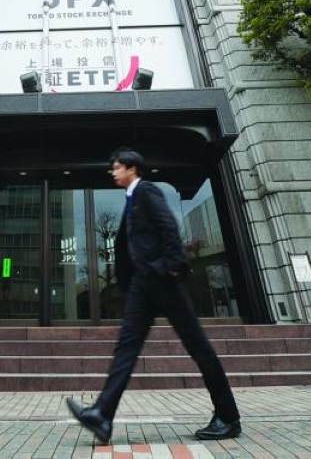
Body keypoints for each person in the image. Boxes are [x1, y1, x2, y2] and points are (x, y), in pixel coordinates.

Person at [67, 147, 241, 444]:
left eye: (116, 167)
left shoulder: (146, 191)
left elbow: (168, 226)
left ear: (132, 168)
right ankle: (102, 416)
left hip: (163, 280)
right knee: (126, 348)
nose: (112, 171)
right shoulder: (132, 197)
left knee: (198, 346)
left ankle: (227, 416)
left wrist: (171, 267)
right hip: (142, 285)